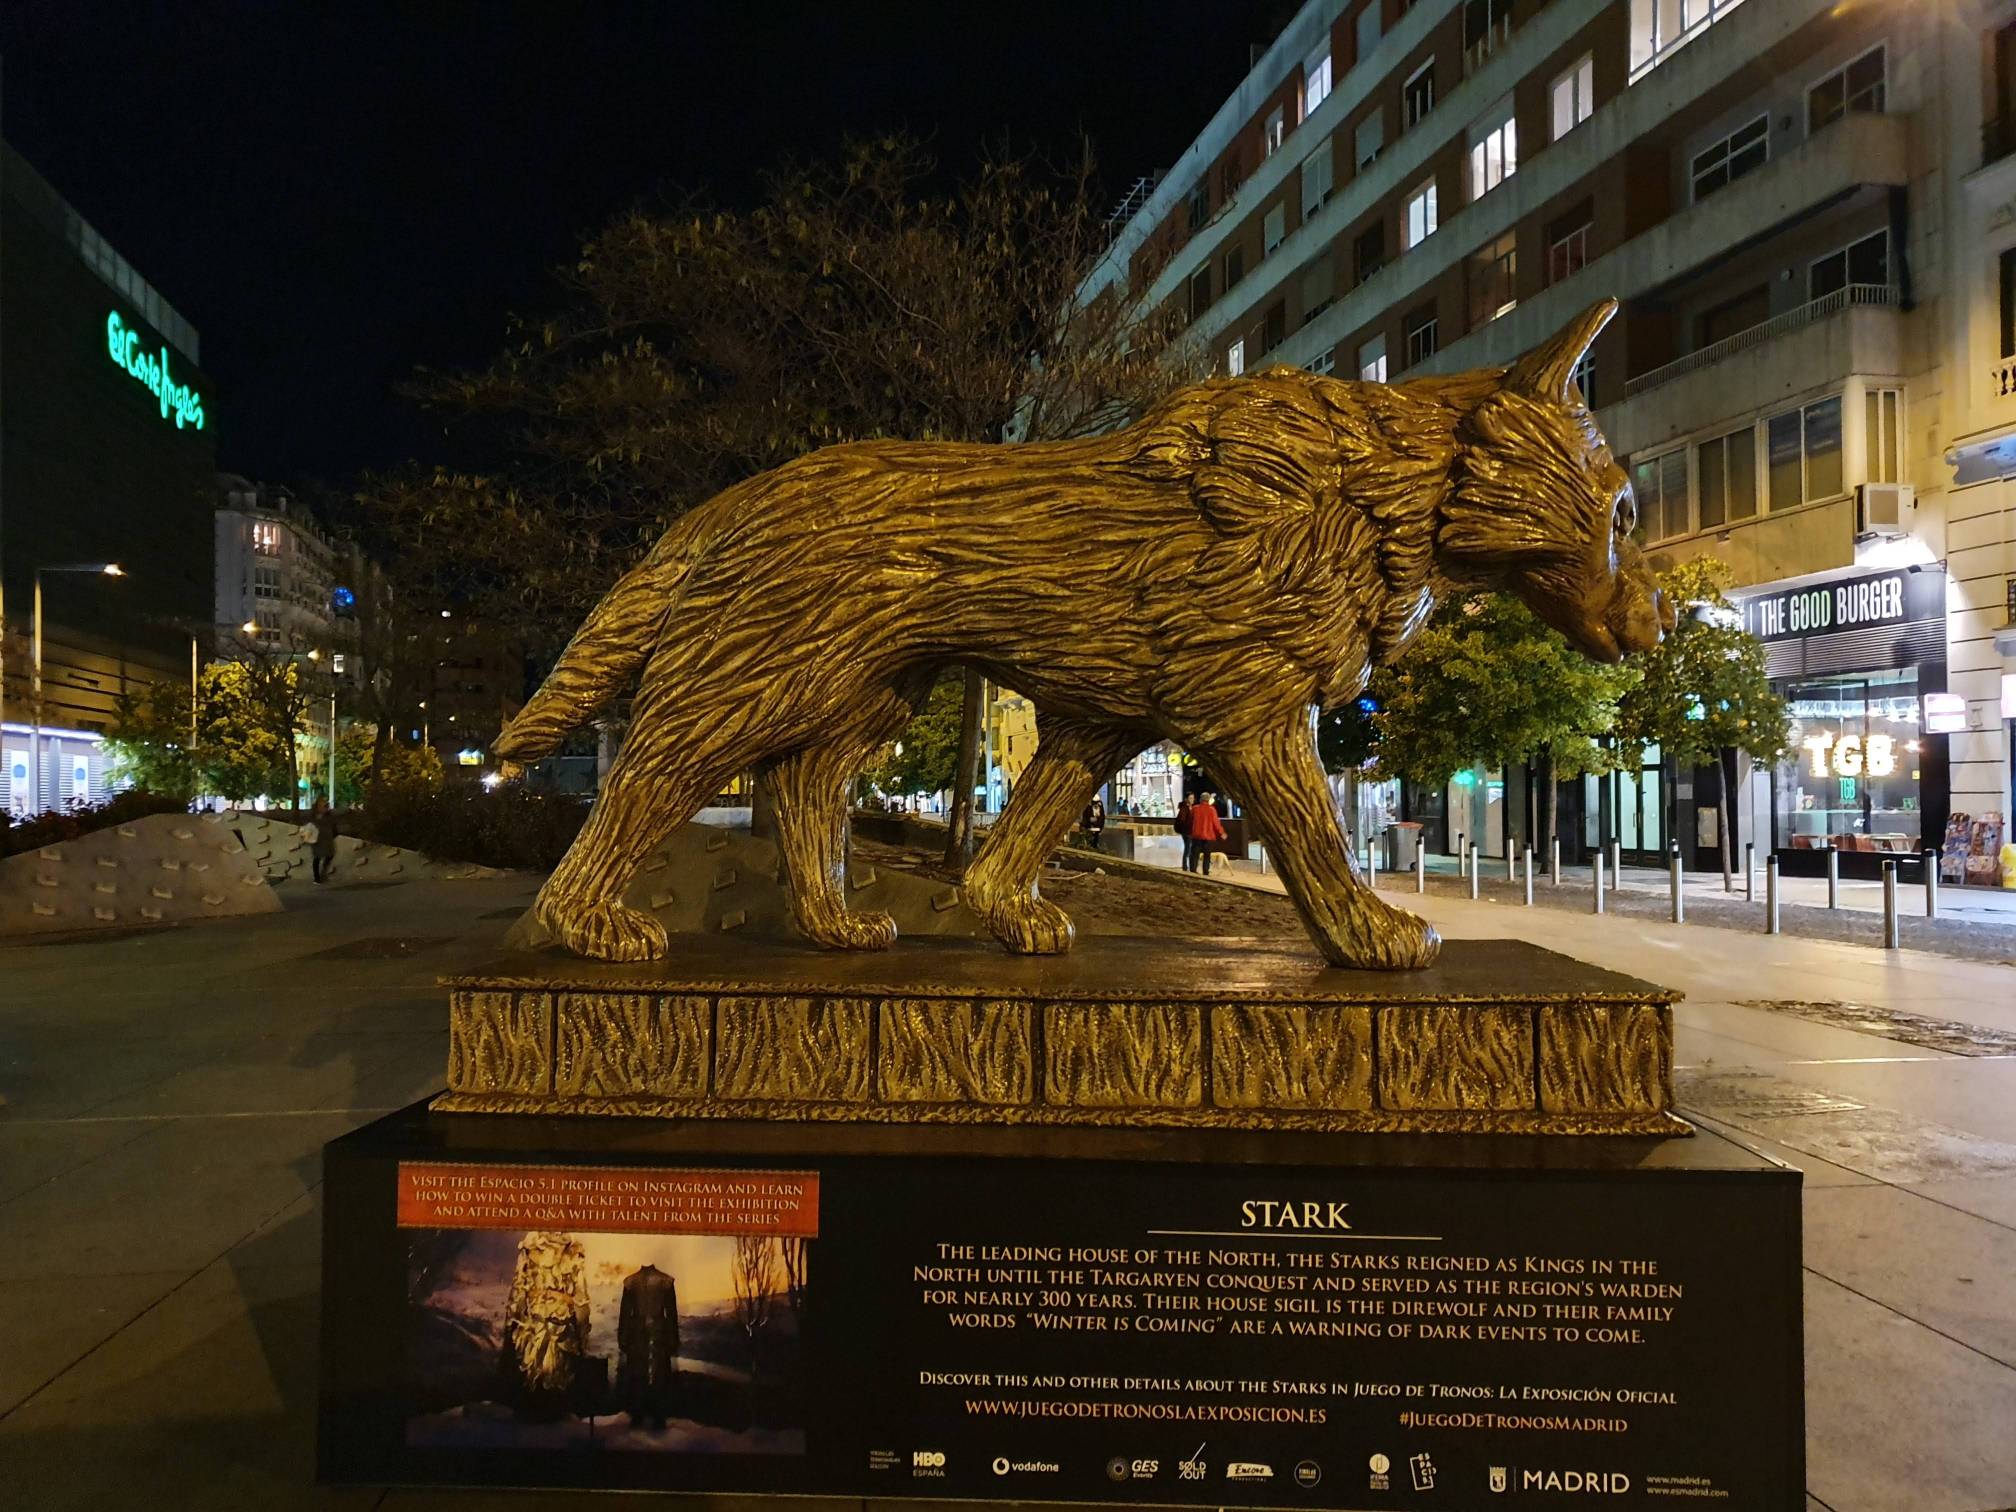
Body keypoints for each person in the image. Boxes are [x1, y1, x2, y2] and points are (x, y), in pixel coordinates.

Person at [1189, 791, 1227, 876]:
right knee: (1207, 855)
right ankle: (1205, 872)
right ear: (1209, 800)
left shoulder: (1195, 808)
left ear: (1200, 799)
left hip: (1196, 836)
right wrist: (1222, 833)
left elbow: (1190, 821)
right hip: (1208, 837)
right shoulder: (1211, 810)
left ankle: (1192, 871)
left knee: (1194, 854)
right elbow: (1216, 823)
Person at [306, 798, 339, 883]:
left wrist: (334, 833)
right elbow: (309, 825)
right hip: (317, 839)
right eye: (323, 806)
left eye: (326, 806)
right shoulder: (313, 816)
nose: (325, 808)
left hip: (327, 838)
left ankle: (323, 874)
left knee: (330, 855)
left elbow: (333, 825)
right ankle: (317, 878)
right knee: (317, 857)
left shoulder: (329, 815)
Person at [1174, 794, 1196, 872]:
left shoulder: (1190, 807)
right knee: (1188, 849)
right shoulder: (1184, 808)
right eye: (1190, 798)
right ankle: (1185, 866)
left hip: (1189, 831)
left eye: (1193, 798)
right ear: (1186, 799)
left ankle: (1187, 866)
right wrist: (1188, 827)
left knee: (1188, 849)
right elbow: (1182, 820)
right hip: (1187, 832)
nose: (1192, 799)